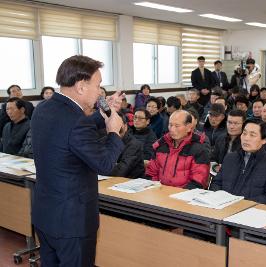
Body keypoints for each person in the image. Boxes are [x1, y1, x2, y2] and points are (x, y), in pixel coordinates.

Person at [31, 55, 124, 266]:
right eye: (98, 85)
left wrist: (103, 114)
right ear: (81, 86)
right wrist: (113, 132)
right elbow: (105, 163)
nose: (100, 92)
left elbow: (71, 132)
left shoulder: (44, 109)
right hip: (72, 222)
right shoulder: (75, 121)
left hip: (46, 214)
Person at [210, 118, 266, 205]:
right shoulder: (230, 158)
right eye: (244, 133)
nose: (246, 138)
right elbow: (216, 183)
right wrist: (219, 198)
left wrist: (242, 204)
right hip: (222, 207)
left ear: (264, 140)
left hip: (250, 212)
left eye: (252, 135)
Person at [145, 110, 210, 188]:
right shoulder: (161, 145)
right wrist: (155, 189)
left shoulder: (199, 149)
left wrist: (176, 194)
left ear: (189, 127)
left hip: (184, 195)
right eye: (170, 125)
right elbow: (151, 173)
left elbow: (198, 182)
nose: (172, 129)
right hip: (159, 192)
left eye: (177, 126)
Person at [109, 113, 145, 178]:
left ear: (125, 126)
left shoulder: (134, 145)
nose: (115, 127)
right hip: (108, 181)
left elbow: (120, 171)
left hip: (130, 183)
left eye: (118, 124)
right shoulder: (104, 140)